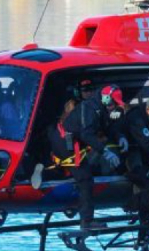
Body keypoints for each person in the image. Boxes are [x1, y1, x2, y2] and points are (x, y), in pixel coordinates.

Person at [51, 84, 129, 229]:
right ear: (106, 99)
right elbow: (87, 134)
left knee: (83, 170)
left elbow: (108, 127)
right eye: (113, 103)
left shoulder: (102, 108)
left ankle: (52, 170)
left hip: (75, 142)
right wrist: (105, 152)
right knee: (85, 179)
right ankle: (87, 222)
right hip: (65, 143)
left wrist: (120, 137)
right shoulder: (90, 109)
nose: (113, 107)